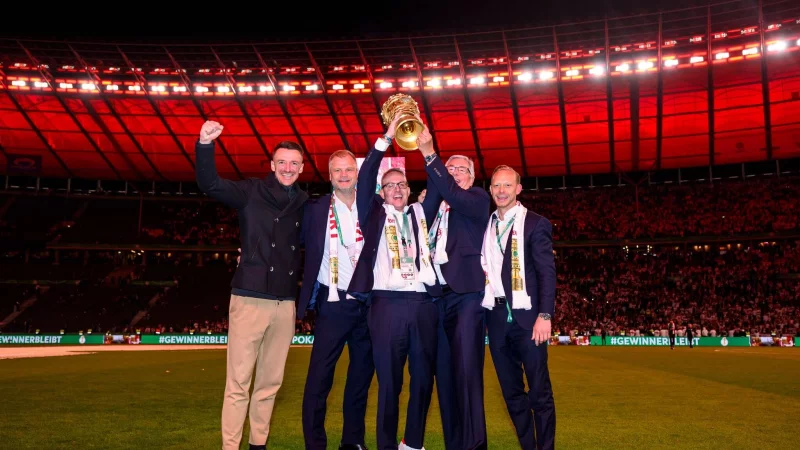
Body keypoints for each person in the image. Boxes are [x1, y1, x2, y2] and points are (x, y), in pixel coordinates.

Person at [195, 120, 308, 450]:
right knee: (238, 383)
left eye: (294, 163)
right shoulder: (250, 192)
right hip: (248, 297)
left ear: (301, 168)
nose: (288, 168)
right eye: (282, 162)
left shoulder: (305, 203)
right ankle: (231, 447)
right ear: (272, 165)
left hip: (285, 302)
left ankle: (258, 444)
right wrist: (205, 145)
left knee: (270, 383)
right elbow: (209, 183)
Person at [347, 119, 442, 450]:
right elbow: (367, 174)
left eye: (402, 184)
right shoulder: (372, 213)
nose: (397, 189)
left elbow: (438, 184)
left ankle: (412, 443)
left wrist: (428, 150)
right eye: (390, 186)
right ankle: (386, 445)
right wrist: (387, 138)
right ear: (381, 192)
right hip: (385, 305)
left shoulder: (420, 212)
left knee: (422, 380)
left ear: (408, 188)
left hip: (422, 304)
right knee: (389, 382)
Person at [298, 149, 374, 450]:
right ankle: (315, 444)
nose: (344, 175)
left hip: (368, 304)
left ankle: (352, 442)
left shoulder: (373, 205)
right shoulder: (315, 209)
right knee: (319, 379)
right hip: (333, 303)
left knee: (360, 379)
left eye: (349, 170)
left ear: (357, 173)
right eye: (337, 170)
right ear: (329, 176)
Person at [417, 138, 490, 449]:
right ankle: (455, 443)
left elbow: (453, 195)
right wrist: (431, 191)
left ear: (471, 178)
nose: (456, 173)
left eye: (462, 169)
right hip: (436, 298)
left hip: (467, 297)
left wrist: (432, 156)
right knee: (445, 377)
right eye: (450, 169)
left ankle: (474, 444)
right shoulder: (434, 209)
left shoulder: (476, 199)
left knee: (467, 372)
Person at [481, 165, 557, 450]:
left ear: (518, 189)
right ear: (490, 190)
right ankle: (528, 445)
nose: (501, 191)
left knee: (539, 393)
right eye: (496, 186)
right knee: (512, 393)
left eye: (507, 186)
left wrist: (545, 315)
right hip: (497, 317)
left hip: (529, 320)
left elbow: (547, 273)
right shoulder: (485, 225)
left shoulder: (536, 223)